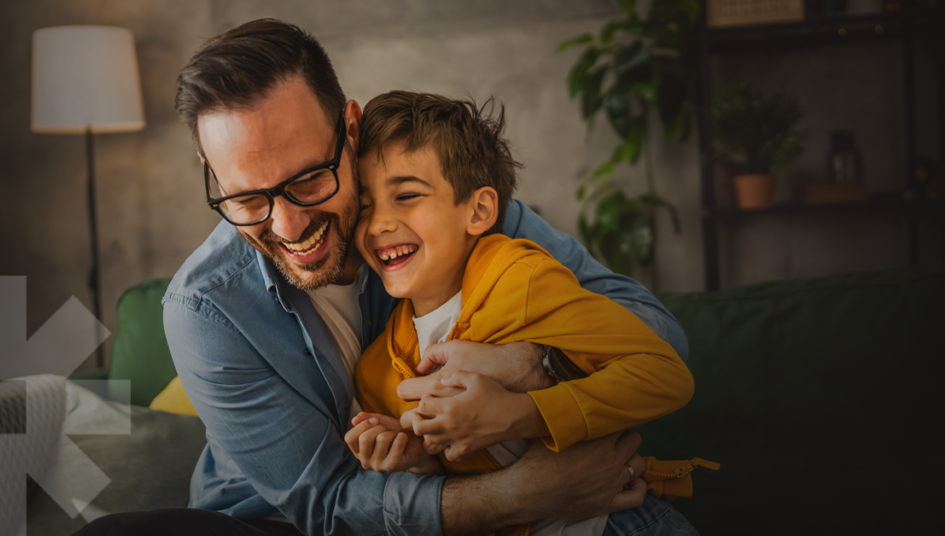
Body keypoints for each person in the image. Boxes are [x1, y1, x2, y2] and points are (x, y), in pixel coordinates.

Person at [74, 18, 691, 536]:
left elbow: (659, 338)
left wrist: (529, 370)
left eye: (308, 179)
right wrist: (521, 495)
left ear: (349, 128)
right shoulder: (205, 307)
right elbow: (323, 504)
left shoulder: (451, 211)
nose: (287, 225)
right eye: (247, 199)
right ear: (211, 175)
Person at [342, 91, 698, 536]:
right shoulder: (378, 370)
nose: (377, 224)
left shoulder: (520, 278)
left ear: (480, 210)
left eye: (407, 195)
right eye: (365, 204)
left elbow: (665, 373)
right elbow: (468, 478)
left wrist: (524, 411)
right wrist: (416, 459)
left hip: (620, 522)